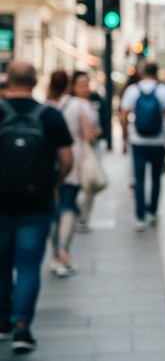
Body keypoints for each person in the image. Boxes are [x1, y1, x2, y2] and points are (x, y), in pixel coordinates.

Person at [0, 60, 73, 352]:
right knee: (29, 265)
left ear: (8, 81)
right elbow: (67, 160)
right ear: (35, 82)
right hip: (37, 203)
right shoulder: (50, 115)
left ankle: (2, 322)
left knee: (1, 265)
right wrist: (54, 184)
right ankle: (22, 326)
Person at [47, 71, 99, 276]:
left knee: (54, 211)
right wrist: (96, 132)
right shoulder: (79, 105)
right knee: (68, 207)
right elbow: (89, 136)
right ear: (68, 85)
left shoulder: (46, 107)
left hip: (49, 164)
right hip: (73, 160)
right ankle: (64, 253)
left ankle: (54, 257)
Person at [119, 62, 165, 231]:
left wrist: (124, 137)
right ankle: (153, 212)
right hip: (158, 141)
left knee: (139, 179)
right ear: (157, 73)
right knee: (156, 178)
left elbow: (123, 116)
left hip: (138, 141)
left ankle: (140, 217)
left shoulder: (133, 90)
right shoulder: (164, 90)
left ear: (142, 73)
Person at [72, 72, 103, 233]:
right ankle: (80, 215)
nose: (85, 88)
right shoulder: (76, 104)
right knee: (82, 184)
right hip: (80, 150)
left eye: (86, 83)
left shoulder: (92, 101)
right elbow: (88, 134)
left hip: (91, 150)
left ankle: (83, 216)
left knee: (89, 183)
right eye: (81, 84)